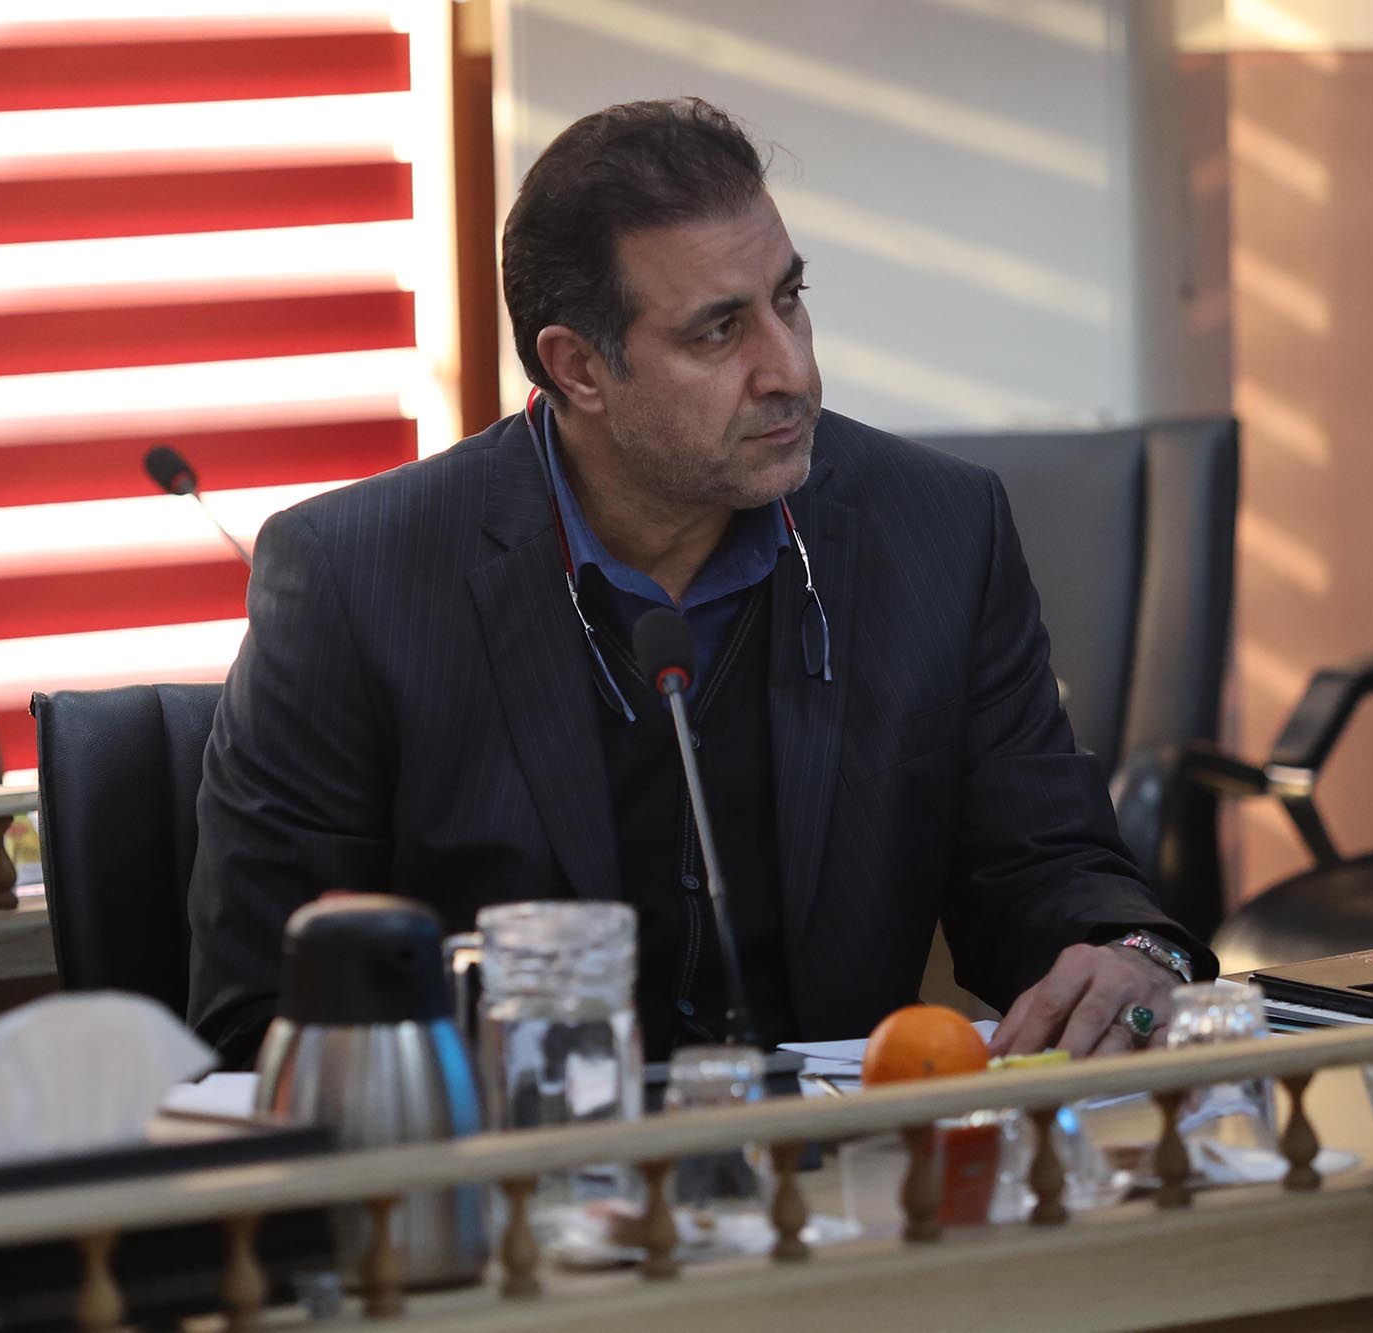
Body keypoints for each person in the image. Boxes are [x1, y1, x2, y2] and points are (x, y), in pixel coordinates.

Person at [187, 97, 1215, 1069]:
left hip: (834, 1166)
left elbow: (1041, 866)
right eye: (718, 331)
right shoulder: (354, 578)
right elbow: (261, 1010)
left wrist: (1133, 955)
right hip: (512, 1168)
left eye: (788, 301)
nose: (790, 371)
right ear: (577, 368)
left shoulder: (938, 529)